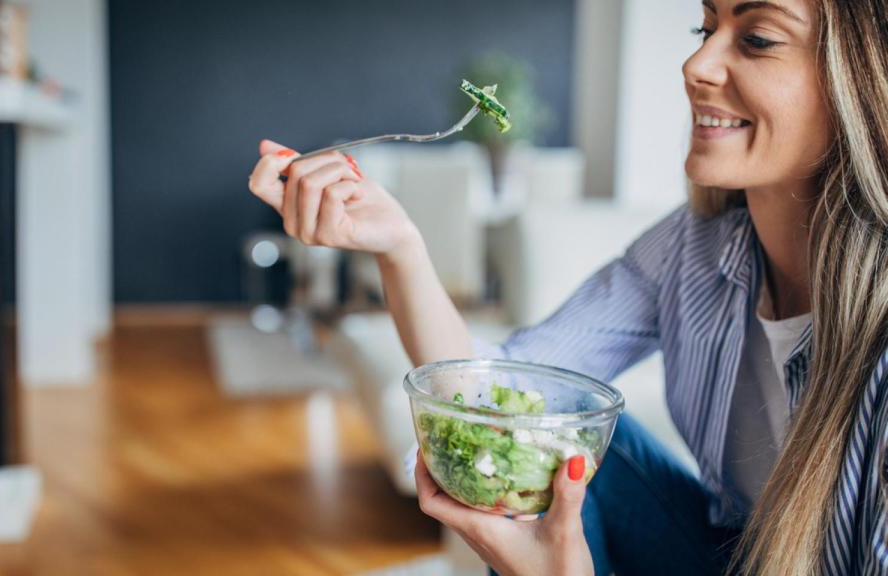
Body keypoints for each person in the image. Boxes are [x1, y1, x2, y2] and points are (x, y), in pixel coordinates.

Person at [248, 0, 888, 572]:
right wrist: (399, 246)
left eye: (758, 38)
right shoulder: (694, 249)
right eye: (706, 25)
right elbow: (498, 397)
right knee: (562, 436)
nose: (696, 63)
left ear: (859, 78)